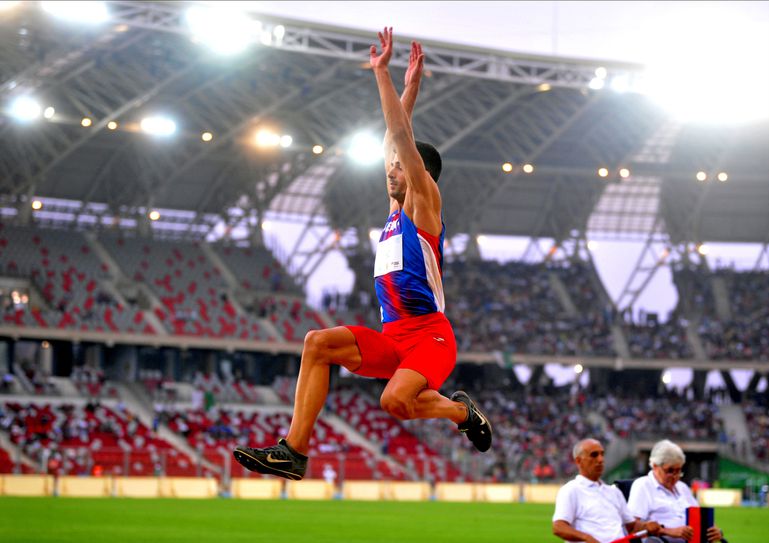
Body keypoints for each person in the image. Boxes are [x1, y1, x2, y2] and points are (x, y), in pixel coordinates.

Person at [232, 27, 492, 481]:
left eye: (399, 166)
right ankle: (293, 451)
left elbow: (399, 137)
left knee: (394, 402)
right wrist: (410, 87)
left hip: (429, 337)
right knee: (317, 343)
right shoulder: (395, 210)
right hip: (393, 335)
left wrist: (383, 75)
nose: (389, 168)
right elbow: (394, 140)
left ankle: (460, 414)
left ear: (420, 173)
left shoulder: (425, 205)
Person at [553, 439, 661, 543]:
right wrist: (586, 538)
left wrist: (646, 525)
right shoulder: (571, 490)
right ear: (578, 461)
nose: (600, 459)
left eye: (602, 454)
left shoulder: (614, 492)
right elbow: (559, 527)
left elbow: (631, 525)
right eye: (594, 455)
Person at [627, 439, 726, 543]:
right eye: (669, 471)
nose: (675, 476)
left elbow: (699, 515)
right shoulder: (643, 485)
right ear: (655, 466)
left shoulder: (682, 487)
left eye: (678, 470)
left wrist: (715, 530)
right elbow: (631, 526)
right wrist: (667, 531)